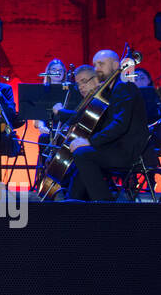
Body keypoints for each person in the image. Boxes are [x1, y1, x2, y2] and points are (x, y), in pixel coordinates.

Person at [64, 50, 149, 201]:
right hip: (115, 147)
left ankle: (105, 204)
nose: (96, 68)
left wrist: (89, 141)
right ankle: (73, 200)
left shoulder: (124, 87)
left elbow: (120, 125)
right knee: (81, 157)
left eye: (101, 64)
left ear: (116, 65)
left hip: (125, 151)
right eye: (95, 64)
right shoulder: (113, 89)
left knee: (82, 154)